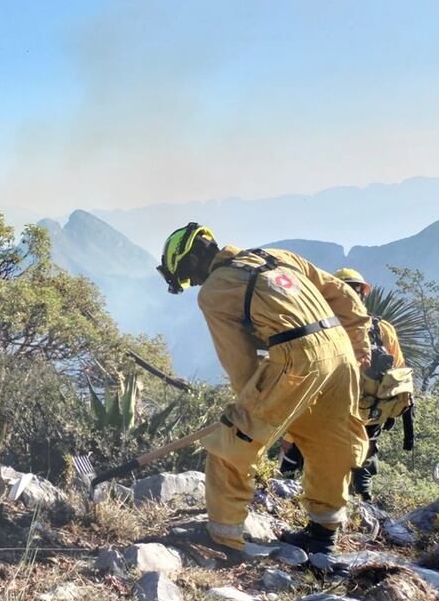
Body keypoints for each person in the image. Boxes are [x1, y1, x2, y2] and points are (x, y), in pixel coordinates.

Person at [156, 223, 370, 555]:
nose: (193, 283)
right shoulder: (277, 256)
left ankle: (224, 538)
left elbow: (238, 361)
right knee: (330, 440)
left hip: (296, 355)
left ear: (194, 260)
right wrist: (357, 344)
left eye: (187, 276)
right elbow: (342, 293)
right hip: (339, 352)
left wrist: (251, 411)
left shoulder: (215, 290)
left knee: (231, 444)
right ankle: (322, 536)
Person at [279, 268, 407, 501]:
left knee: (297, 460)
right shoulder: (382, 329)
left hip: (327, 409)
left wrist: (289, 435)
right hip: (369, 413)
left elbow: (305, 373)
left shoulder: (319, 328)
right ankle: (361, 506)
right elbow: (401, 374)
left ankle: (290, 500)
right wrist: (391, 412)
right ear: (363, 294)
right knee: (360, 467)